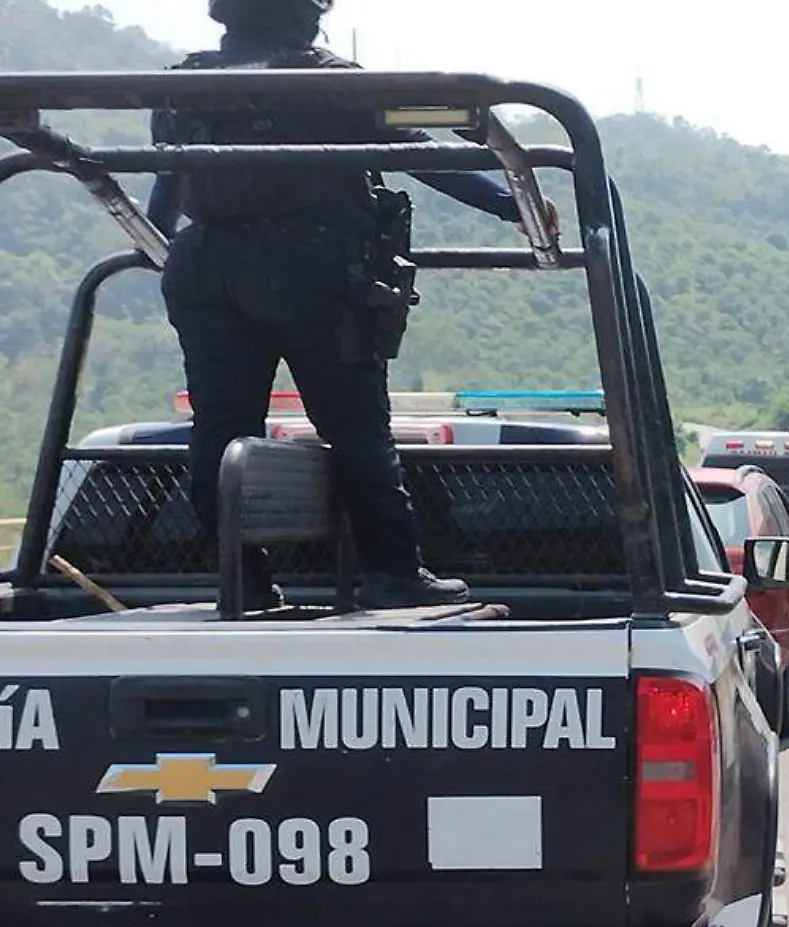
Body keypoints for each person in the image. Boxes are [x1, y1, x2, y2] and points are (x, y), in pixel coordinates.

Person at [146, 0, 560, 611]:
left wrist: (166, 245)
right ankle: (393, 573)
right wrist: (510, 205)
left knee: (218, 428)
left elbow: (166, 187)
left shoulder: (183, 86)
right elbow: (420, 151)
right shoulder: (331, 81)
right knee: (357, 427)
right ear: (308, 17)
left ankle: (242, 580)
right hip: (310, 272)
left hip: (203, 268)